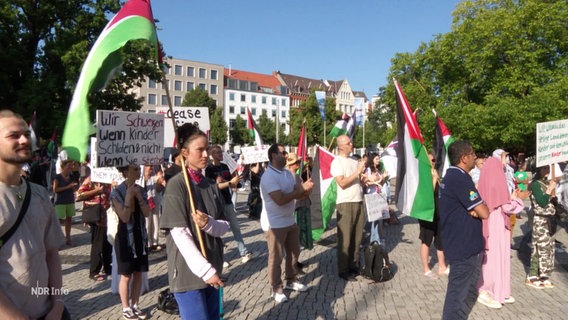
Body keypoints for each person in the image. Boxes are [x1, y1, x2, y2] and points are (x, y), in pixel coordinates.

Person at [0, 110, 69, 319]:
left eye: (26, 134)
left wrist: (57, 304)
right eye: (13, 135)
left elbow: (52, 254)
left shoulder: (39, 194)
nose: (24, 139)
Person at [160, 123, 229, 319]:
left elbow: (224, 226)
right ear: (184, 152)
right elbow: (179, 234)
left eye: (207, 149)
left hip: (213, 267)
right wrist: (205, 271)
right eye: (200, 150)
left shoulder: (210, 185)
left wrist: (209, 224)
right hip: (189, 273)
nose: (206, 154)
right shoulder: (177, 186)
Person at [439, 140, 489, 320]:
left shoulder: (450, 176)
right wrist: (481, 206)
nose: (475, 157)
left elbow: (478, 210)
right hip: (463, 246)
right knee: (457, 295)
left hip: (458, 242)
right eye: (473, 154)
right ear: (464, 158)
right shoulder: (460, 178)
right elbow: (484, 212)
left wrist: (477, 208)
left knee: (459, 292)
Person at [260, 144, 313, 303]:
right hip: (274, 224)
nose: (287, 155)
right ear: (273, 155)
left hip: (290, 221)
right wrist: (300, 190)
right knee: (276, 258)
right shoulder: (268, 176)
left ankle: (291, 280)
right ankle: (276, 288)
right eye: (283, 153)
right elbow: (280, 200)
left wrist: (307, 191)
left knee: (294, 253)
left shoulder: (288, 174)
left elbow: (299, 195)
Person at [476, 157, 527, 309]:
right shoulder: (499, 181)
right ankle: (489, 290)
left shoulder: (483, 181)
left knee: (492, 256)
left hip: (489, 222)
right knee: (498, 257)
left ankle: (498, 290)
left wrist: (511, 198)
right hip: (498, 224)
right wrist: (517, 199)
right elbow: (506, 206)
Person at [110, 165, 151, 320]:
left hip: (140, 235)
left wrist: (139, 197)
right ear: (126, 172)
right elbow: (125, 217)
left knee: (139, 272)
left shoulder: (141, 189)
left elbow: (147, 213)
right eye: (134, 169)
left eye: (138, 169)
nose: (138, 172)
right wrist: (128, 197)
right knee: (126, 275)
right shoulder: (116, 192)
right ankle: (126, 307)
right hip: (125, 238)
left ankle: (135, 304)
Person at [206, 145, 253, 265]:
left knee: (236, 227)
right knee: (218, 231)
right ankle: (221, 258)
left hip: (227, 201)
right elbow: (213, 187)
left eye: (221, 152)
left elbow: (230, 184)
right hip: (217, 203)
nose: (220, 154)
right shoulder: (209, 169)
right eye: (217, 152)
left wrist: (235, 182)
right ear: (212, 155)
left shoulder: (225, 166)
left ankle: (244, 252)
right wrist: (229, 183)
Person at [330, 135, 367, 281]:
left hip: (358, 200)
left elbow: (359, 180)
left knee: (358, 236)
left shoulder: (353, 161)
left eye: (351, 141)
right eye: (348, 143)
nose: (351, 144)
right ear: (340, 146)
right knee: (345, 238)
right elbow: (342, 183)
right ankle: (343, 269)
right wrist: (357, 172)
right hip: (345, 203)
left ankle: (354, 264)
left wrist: (368, 179)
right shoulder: (337, 162)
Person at [77, 166, 112, 281]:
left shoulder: (109, 179)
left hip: (108, 216)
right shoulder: (91, 180)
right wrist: (96, 191)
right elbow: (78, 195)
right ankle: (94, 271)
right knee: (97, 244)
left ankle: (107, 267)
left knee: (108, 244)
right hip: (97, 216)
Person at [525, 165, 557, 289]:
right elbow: (542, 202)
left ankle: (544, 274)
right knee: (538, 246)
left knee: (548, 248)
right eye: (544, 168)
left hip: (549, 219)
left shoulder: (547, 182)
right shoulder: (535, 184)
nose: (547, 171)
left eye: (548, 168)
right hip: (540, 219)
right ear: (538, 170)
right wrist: (549, 189)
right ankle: (532, 275)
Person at [419, 152, 448, 279]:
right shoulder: (422, 176)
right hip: (427, 213)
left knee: (440, 239)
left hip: (439, 211)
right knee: (426, 240)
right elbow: (425, 196)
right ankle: (426, 268)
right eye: (431, 160)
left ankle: (442, 266)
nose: (433, 162)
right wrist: (433, 180)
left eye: (434, 160)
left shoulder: (437, 173)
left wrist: (438, 180)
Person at [286, 153, 313, 251]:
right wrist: (307, 191)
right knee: (300, 228)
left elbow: (300, 188)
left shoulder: (296, 175)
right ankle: (298, 244)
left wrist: (306, 185)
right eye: (296, 162)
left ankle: (301, 243)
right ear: (290, 164)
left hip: (302, 204)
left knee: (303, 227)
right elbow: (296, 194)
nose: (298, 164)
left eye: (298, 162)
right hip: (298, 206)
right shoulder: (291, 176)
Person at [53, 159, 77, 246]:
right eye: (68, 166)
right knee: (58, 221)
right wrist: (68, 187)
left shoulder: (71, 177)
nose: (70, 168)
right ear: (63, 167)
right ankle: (56, 240)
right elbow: (55, 189)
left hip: (70, 200)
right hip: (60, 201)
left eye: (71, 166)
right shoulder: (58, 177)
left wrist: (73, 188)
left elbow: (72, 188)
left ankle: (68, 238)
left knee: (69, 219)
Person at [144, 165, 164, 251]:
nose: (150, 167)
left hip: (155, 199)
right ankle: (148, 243)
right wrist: (146, 177)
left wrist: (159, 182)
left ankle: (155, 242)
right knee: (147, 223)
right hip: (146, 200)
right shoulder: (141, 175)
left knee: (156, 222)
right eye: (148, 166)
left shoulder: (156, 172)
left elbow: (159, 189)